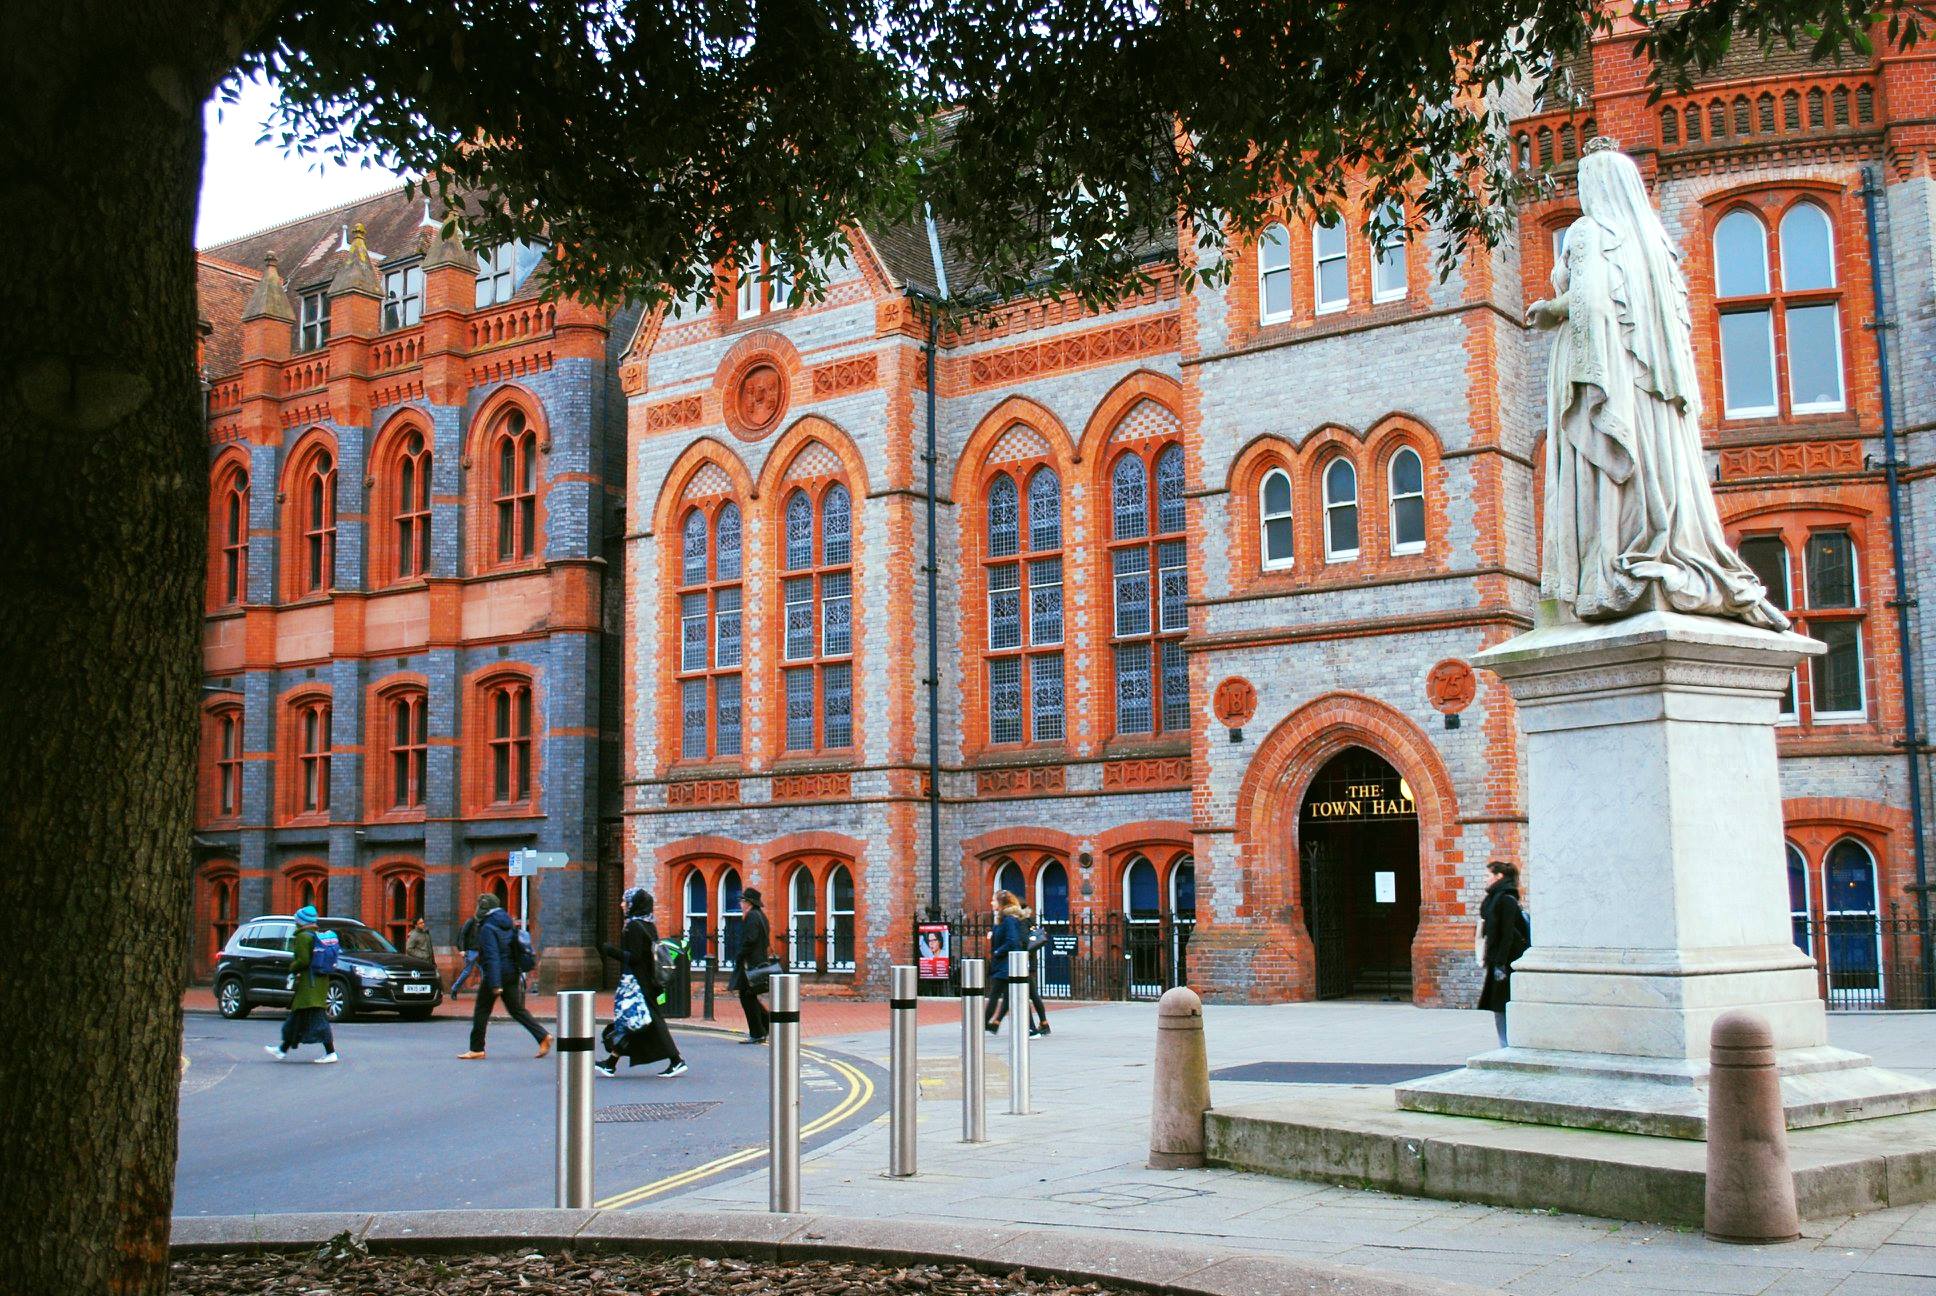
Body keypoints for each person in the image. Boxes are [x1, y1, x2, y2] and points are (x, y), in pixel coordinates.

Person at [1528, 139, 1786, 631]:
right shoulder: (1655, 245)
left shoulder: (1588, 231)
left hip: (1607, 378)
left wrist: (1552, 311)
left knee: (1608, 475)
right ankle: (1662, 544)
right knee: (1651, 474)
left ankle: (1606, 566)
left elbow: (1592, 303)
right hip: (1653, 398)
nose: (1581, 194)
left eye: (1583, 183)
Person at [596, 889, 687, 1077]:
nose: (622, 905)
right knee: (632, 1022)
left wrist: (610, 951)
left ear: (634, 904)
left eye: (625, 901)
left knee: (651, 1022)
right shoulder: (648, 924)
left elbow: (635, 957)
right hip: (646, 981)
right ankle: (610, 1063)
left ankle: (676, 1060)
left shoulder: (634, 926)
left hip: (638, 984)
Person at [457, 894, 551, 1060]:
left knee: (482, 1010)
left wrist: (495, 983)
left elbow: (492, 955)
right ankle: (542, 1036)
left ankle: (476, 1049)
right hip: (512, 972)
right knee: (516, 1009)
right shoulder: (507, 923)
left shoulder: (487, 927)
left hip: (495, 975)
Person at [265, 905, 337, 1065]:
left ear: (301, 921)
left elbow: (303, 960)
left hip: (310, 984)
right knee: (297, 1017)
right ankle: (282, 1050)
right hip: (317, 982)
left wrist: (292, 968)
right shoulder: (313, 935)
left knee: (317, 1018)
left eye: (296, 919)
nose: (295, 922)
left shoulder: (303, 937)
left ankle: (331, 1052)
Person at [1478, 860, 1531, 1047]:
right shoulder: (1494, 898)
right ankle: (1504, 1044)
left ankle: (1507, 1045)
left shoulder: (1506, 899)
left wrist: (1500, 963)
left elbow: (1507, 934)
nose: (1485, 879)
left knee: (1503, 1004)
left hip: (1506, 961)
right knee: (1498, 1006)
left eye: (1488, 875)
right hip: (1497, 960)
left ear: (1499, 876)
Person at [984, 891, 1045, 1035]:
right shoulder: (1002, 919)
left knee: (999, 995)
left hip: (1007, 965)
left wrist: (998, 952)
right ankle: (996, 1024)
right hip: (1005, 965)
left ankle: (983, 1023)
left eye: (994, 900)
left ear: (1002, 903)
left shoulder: (1009, 920)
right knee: (1013, 997)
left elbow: (1013, 941)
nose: (991, 903)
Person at [728, 887, 771, 1044]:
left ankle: (757, 1033)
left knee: (746, 997)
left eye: (742, 901)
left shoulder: (752, 916)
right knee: (749, 996)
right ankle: (768, 1025)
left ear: (748, 902)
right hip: (758, 962)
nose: (740, 904)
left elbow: (750, 939)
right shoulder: (761, 916)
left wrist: (740, 954)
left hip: (750, 964)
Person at [449, 911, 481, 998]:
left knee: (484, 971)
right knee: (467, 972)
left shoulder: (483, 922)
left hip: (480, 951)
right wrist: (462, 950)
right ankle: (454, 989)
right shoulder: (470, 921)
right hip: (471, 951)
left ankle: (484, 993)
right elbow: (462, 935)